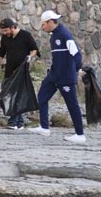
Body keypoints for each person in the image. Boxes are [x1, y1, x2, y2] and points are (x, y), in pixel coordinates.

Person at [28, 11, 86, 143]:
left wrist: (78, 69)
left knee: (72, 104)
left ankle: (80, 135)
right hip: (54, 75)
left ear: (50, 22)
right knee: (42, 96)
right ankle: (44, 127)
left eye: (43, 24)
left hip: (66, 77)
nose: (42, 27)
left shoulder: (64, 35)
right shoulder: (53, 36)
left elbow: (76, 54)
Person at [0, 18, 39, 130]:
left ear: (13, 27)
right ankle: (19, 123)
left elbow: (35, 50)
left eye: (6, 30)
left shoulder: (26, 35)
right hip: (9, 71)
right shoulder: (5, 38)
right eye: (3, 31)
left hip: (21, 71)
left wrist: (30, 56)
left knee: (15, 95)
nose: (4, 33)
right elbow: (1, 53)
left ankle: (13, 122)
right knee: (5, 94)